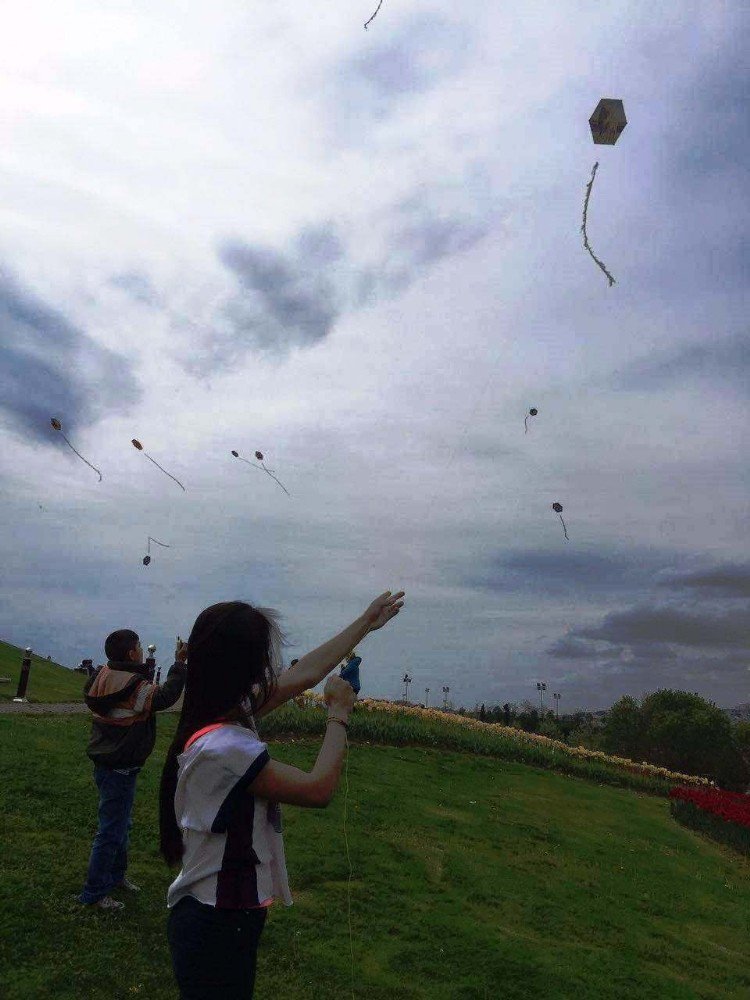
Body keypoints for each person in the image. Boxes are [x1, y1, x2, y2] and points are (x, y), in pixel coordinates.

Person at [159, 590, 404, 1000]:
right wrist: (339, 713)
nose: (272, 666)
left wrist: (365, 622)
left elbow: (305, 674)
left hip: (217, 915)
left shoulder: (217, 709)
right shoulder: (227, 748)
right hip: (218, 919)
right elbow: (318, 788)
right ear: (244, 665)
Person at [77, 631, 187, 910]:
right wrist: (179, 664)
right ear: (131, 654)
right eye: (139, 646)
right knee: (112, 829)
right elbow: (164, 697)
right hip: (121, 765)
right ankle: (94, 892)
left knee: (120, 824)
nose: (141, 650)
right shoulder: (133, 684)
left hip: (106, 760)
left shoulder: (102, 675)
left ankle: (116, 877)